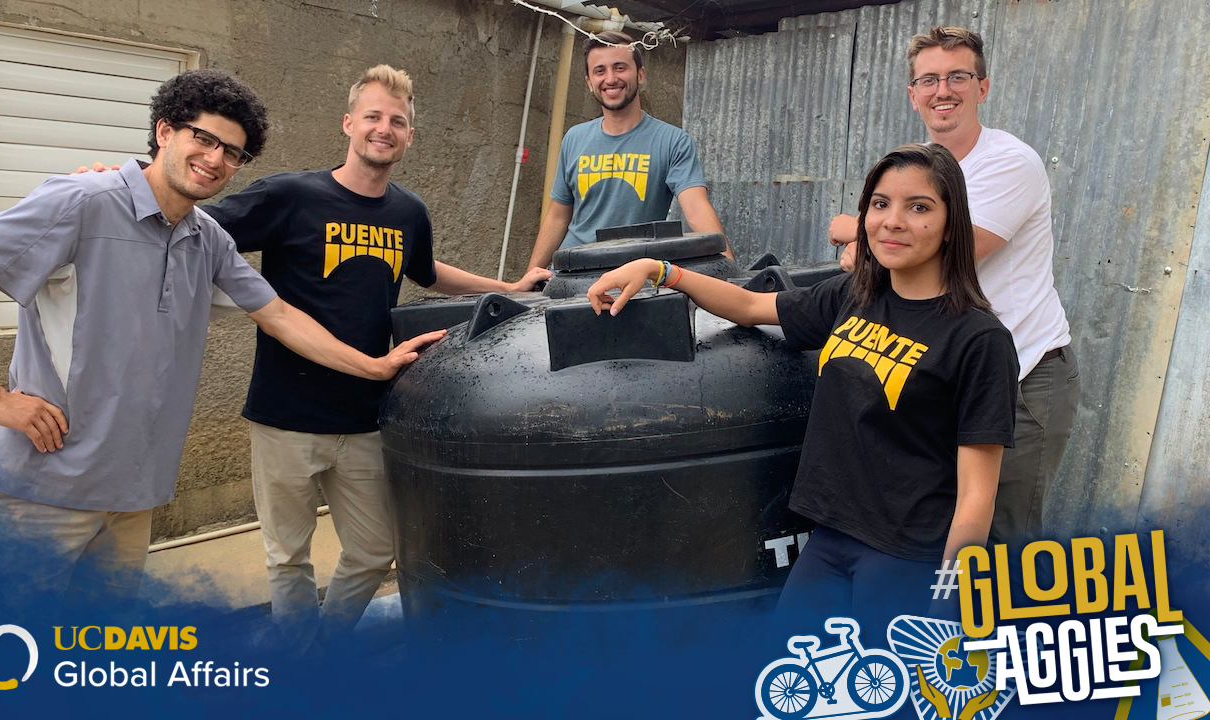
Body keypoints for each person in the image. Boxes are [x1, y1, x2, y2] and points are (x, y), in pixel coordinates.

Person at [0, 69, 445, 623]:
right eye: (203, 137)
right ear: (164, 131)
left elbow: (280, 316)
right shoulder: (84, 200)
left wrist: (373, 366)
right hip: (45, 487)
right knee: (12, 663)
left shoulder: (208, 239)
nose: (215, 158)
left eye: (233, 152)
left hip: (130, 494)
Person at [588, 144, 1018, 638]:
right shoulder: (854, 296)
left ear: (951, 222)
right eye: (880, 204)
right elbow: (751, 307)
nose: (892, 221)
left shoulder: (979, 340)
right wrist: (661, 270)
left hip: (907, 561)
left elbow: (976, 500)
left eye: (918, 207)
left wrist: (947, 606)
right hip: (831, 542)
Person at [193, 65, 550, 654]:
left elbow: (429, 275)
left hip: (365, 414)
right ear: (349, 123)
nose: (385, 129)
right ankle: (300, 666)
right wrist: (119, 184)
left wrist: (508, 287)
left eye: (398, 121)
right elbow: (195, 221)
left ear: (409, 137)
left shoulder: (408, 212)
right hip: (285, 413)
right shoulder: (291, 196)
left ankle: (321, 650)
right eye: (375, 117)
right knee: (287, 557)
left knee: (373, 549)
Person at [830, 27, 1079, 547]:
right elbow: (882, 244)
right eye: (929, 80)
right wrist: (862, 241)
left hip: (1021, 374)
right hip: (949, 375)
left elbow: (939, 255)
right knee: (950, 522)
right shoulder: (921, 165)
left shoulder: (1009, 163)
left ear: (982, 88)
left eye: (958, 77)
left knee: (1003, 536)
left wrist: (852, 235)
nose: (943, 90)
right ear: (913, 94)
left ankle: (1016, 628)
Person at [524, 30, 732, 272]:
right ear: (590, 83)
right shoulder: (574, 138)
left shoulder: (672, 141)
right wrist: (528, 278)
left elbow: (696, 210)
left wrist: (729, 270)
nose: (611, 79)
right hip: (573, 274)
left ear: (640, 74)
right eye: (599, 71)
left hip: (635, 274)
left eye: (620, 67)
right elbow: (558, 217)